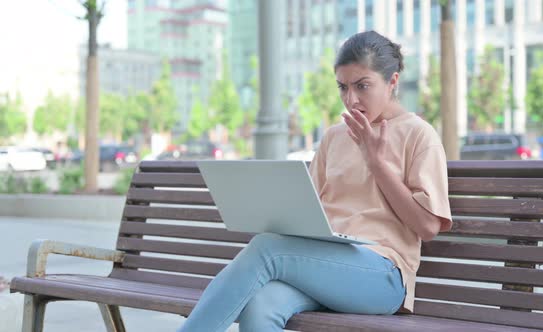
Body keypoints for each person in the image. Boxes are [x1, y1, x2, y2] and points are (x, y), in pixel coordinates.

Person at [177, 30, 452, 332]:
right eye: (343, 87)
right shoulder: (335, 136)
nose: (351, 99)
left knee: (267, 249)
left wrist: (377, 163)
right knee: (262, 305)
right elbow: (310, 212)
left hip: (383, 275)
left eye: (362, 86)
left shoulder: (418, 135)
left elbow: (427, 227)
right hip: (325, 264)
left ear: (393, 82)